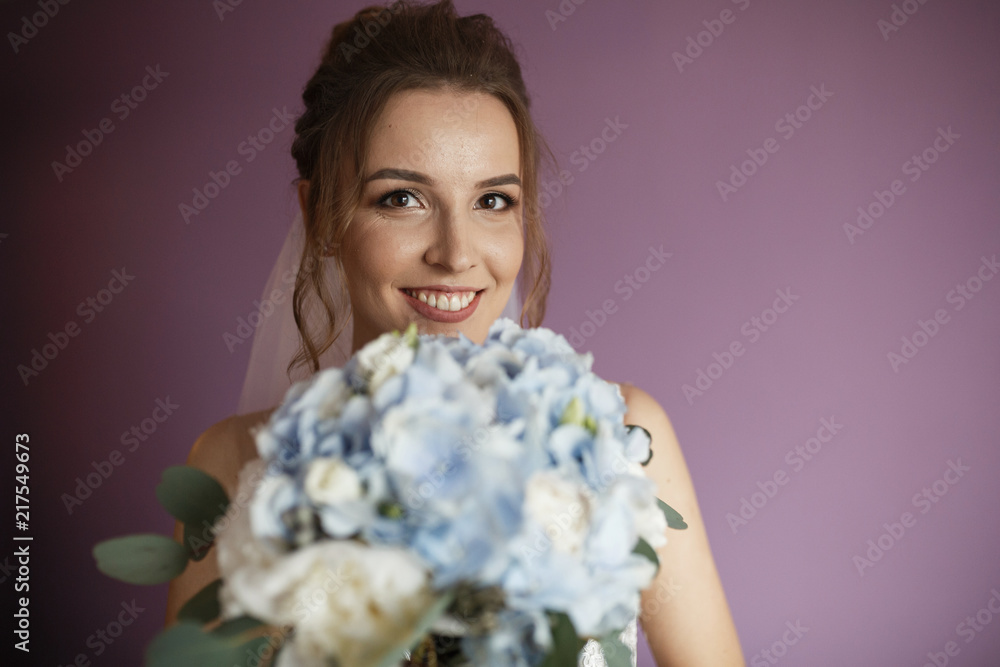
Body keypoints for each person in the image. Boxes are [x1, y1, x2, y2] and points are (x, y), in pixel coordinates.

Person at [165, 2, 745, 665]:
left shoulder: (619, 440)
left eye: (492, 201)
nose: (456, 253)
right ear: (320, 214)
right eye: (402, 199)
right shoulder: (230, 465)